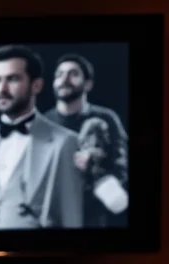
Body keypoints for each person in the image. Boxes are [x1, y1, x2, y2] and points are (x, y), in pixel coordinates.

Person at [0, 45, 83, 230]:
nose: (2, 88)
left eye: (12, 79)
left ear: (36, 85)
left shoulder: (65, 142)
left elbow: (72, 218)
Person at [44, 53, 129, 228]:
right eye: (59, 75)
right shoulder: (44, 122)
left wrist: (95, 168)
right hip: (53, 219)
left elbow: (122, 168)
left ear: (88, 84)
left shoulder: (106, 118)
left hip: (94, 220)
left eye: (73, 74)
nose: (64, 79)